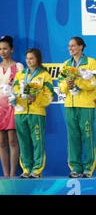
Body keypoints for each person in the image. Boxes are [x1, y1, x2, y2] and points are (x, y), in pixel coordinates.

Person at [58, 37, 96, 178]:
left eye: (73, 46)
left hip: (86, 105)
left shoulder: (91, 62)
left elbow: (94, 83)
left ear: (81, 47)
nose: (70, 48)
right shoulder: (66, 64)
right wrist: (67, 86)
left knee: (87, 136)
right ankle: (75, 167)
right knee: (73, 137)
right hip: (70, 105)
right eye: (69, 46)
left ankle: (88, 168)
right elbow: (60, 85)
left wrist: (78, 82)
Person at [13, 48, 54, 178]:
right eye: (27, 59)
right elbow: (14, 90)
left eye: (31, 58)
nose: (29, 61)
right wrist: (17, 96)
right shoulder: (20, 74)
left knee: (37, 141)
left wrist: (37, 98)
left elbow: (50, 96)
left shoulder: (44, 75)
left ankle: (36, 169)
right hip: (20, 112)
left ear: (37, 59)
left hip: (37, 112)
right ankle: (26, 169)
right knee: (23, 142)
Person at [0, 36, 24, 177]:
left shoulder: (19, 67)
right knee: (1, 142)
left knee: (12, 141)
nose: (2, 52)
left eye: (5, 49)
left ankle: (13, 174)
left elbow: (22, 87)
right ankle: (5, 175)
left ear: (12, 49)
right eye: (0, 49)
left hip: (12, 106)